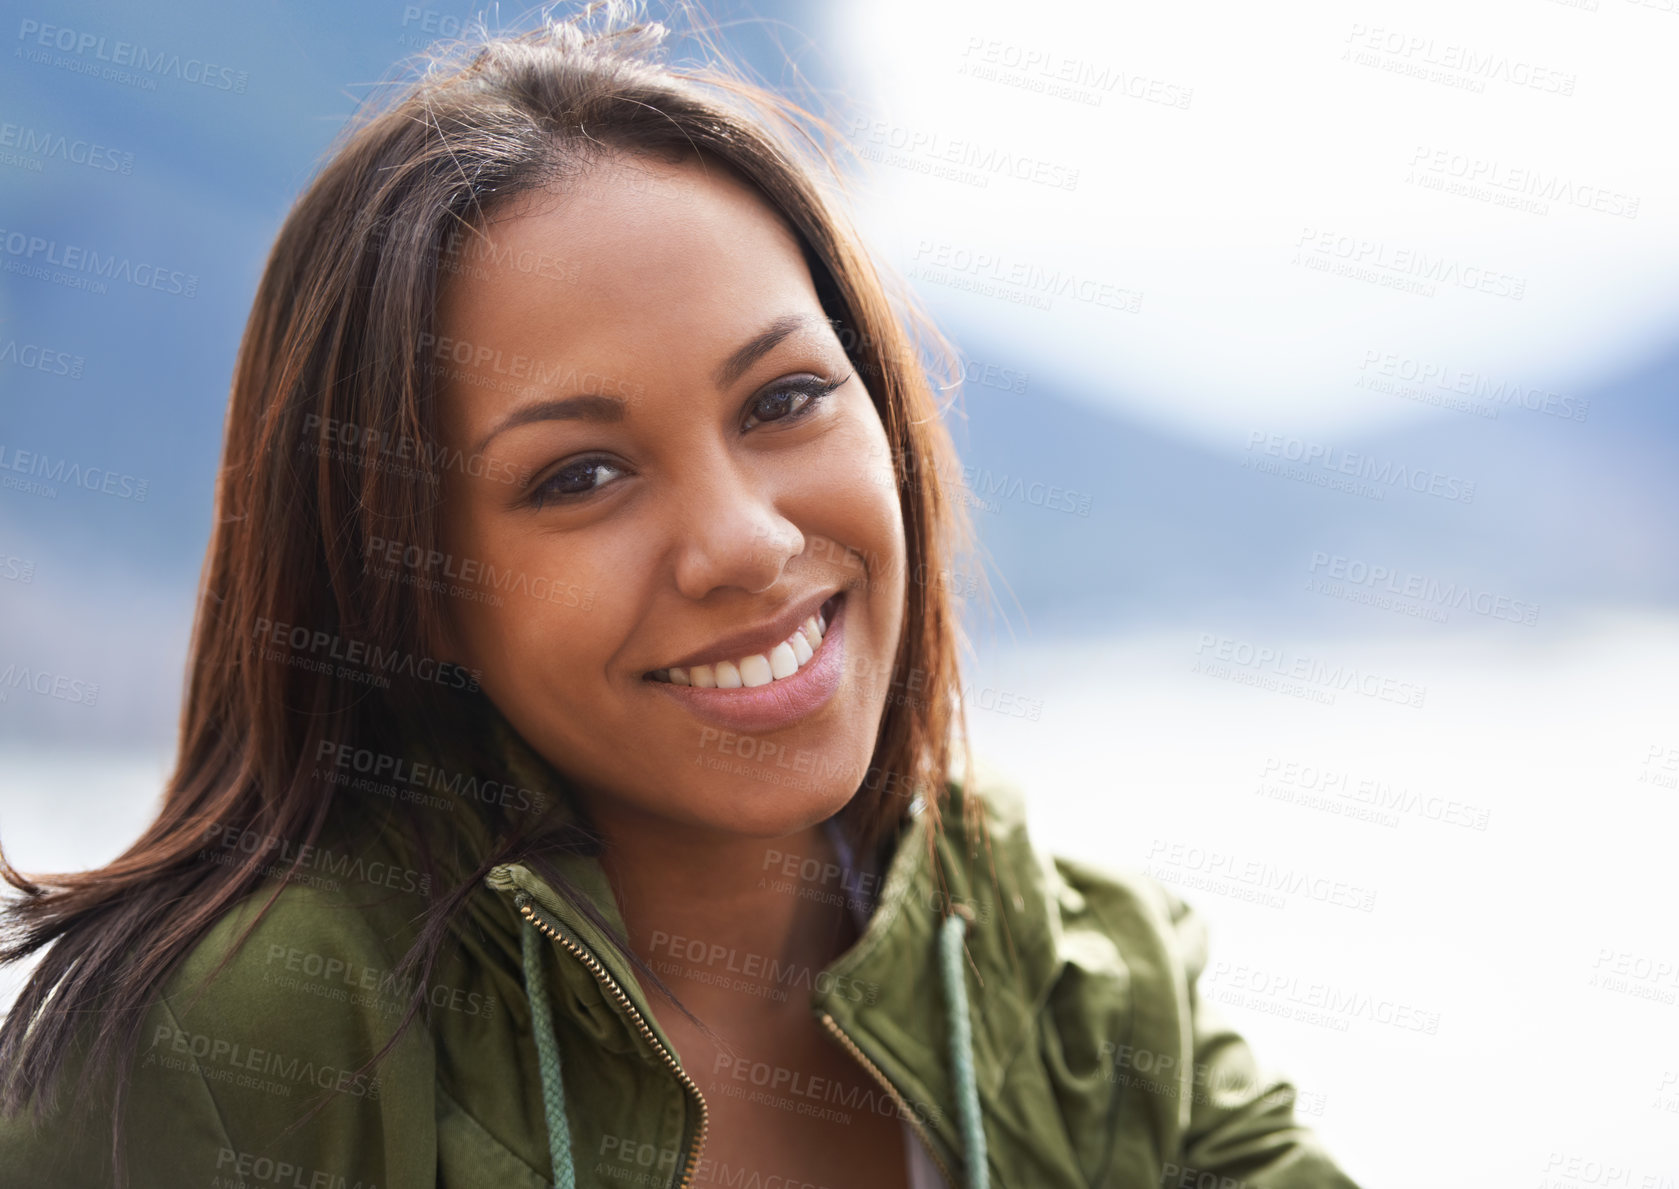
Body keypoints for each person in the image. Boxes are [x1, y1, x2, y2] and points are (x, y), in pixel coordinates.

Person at [0, 7, 1364, 1187]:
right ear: (407, 581)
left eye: (784, 399)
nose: (744, 540)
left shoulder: (1083, 983)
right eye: (580, 474)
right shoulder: (253, 1031)